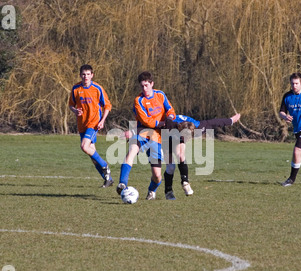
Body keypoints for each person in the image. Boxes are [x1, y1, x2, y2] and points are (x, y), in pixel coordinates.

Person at [116, 71, 176, 200]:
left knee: (157, 175)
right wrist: (162, 123)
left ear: (152, 84)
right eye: (142, 86)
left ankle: (151, 190)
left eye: (146, 85)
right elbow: (146, 121)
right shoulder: (139, 100)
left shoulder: (160, 95)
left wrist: (170, 117)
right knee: (132, 151)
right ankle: (122, 183)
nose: (144, 89)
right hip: (142, 132)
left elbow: (170, 109)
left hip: (156, 137)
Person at [162, 113, 241, 200]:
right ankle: (168, 192)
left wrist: (231, 120)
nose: (187, 139)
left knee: (181, 155)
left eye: (189, 137)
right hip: (165, 137)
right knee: (171, 167)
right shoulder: (169, 125)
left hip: (178, 134)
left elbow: (214, 122)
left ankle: (185, 182)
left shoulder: (198, 127)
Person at [68, 64, 113, 188]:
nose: (85, 76)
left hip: (93, 123)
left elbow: (107, 106)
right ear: (80, 75)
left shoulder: (97, 88)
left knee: (84, 146)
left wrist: (102, 120)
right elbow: (71, 105)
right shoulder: (76, 88)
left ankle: (104, 165)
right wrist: (75, 110)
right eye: (83, 74)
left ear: (92, 75)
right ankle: (108, 179)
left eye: (88, 74)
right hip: (81, 124)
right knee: (91, 154)